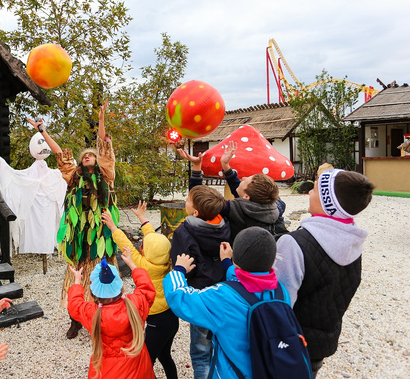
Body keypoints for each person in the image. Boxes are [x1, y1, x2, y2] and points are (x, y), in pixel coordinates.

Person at [27, 100, 118, 339]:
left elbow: (103, 146)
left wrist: (100, 121)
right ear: (80, 161)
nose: (88, 156)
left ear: (97, 159)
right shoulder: (72, 175)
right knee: (75, 273)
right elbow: (59, 153)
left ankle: (104, 319)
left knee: (102, 274)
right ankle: (75, 320)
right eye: (84, 155)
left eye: (92, 155)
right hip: (78, 236)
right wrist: (42, 131)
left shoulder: (106, 175)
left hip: (100, 234)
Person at [273, 169, 374, 378]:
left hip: (287, 343)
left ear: (329, 203)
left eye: (316, 189)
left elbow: (278, 306)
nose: (309, 191)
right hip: (321, 343)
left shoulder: (293, 244)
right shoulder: (353, 242)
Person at [164, 227, 291, 379]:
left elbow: (181, 298)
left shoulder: (223, 296)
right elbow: (250, 282)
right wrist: (227, 263)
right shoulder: (281, 291)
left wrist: (179, 270)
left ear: (237, 260)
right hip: (270, 369)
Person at [170, 154, 231, 379]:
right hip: (223, 292)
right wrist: (197, 169)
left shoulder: (183, 232)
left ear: (195, 212)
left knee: (200, 349)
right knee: (220, 343)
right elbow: (202, 198)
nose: (185, 200)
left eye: (187, 200)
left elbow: (182, 264)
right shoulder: (224, 224)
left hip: (200, 296)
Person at [102, 201, 178, 379]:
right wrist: (142, 217)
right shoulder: (164, 260)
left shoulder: (144, 266)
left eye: (143, 244)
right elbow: (153, 237)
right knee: (165, 356)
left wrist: (112, 226)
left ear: (146, 253)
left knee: (145, 362)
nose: (141, 245)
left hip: (156, 322)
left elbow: (125, 244)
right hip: (171, 318)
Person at [67, 247, 156, 379]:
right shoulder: (135, 303)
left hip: (106, 370)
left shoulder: (92, 312)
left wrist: (77, 282)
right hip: (139, 368)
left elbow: (74, 305)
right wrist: (132, 265)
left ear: (93, 292)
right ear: (121, 286)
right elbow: (146, 287)